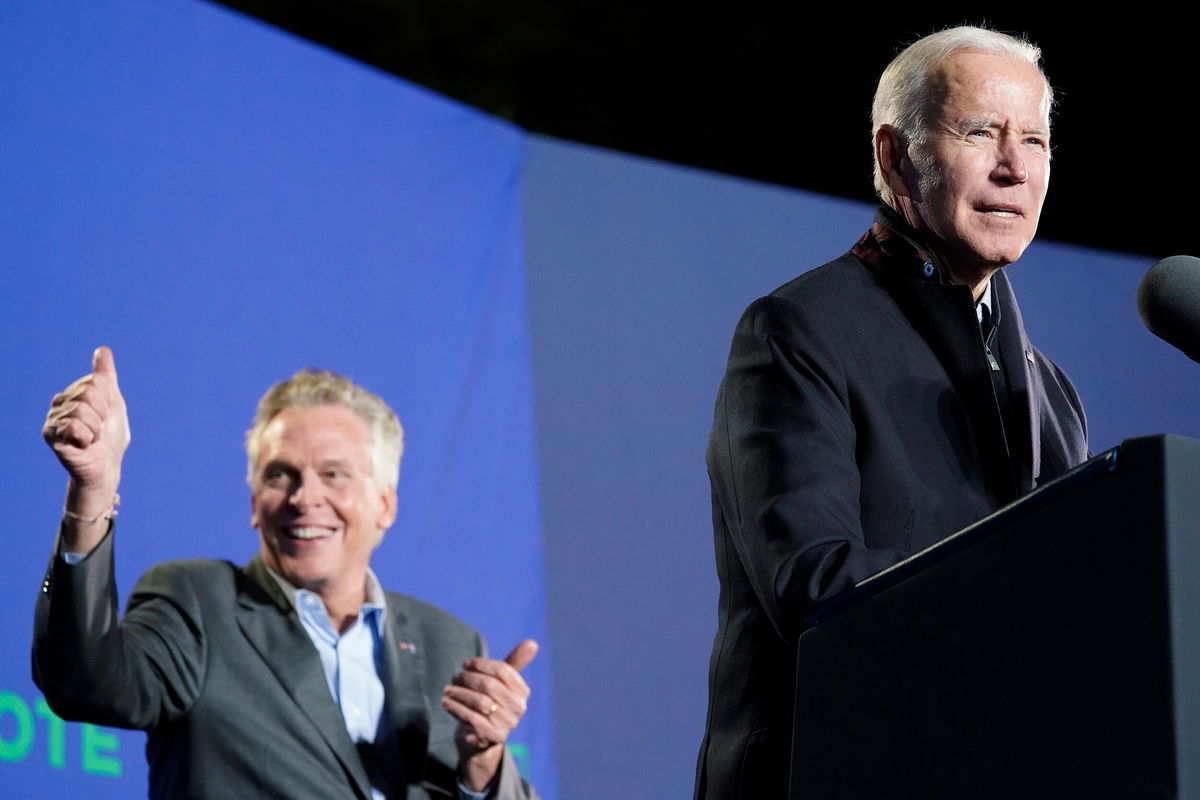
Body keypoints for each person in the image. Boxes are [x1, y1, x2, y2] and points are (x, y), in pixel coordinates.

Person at [693, 26, 1089, 800]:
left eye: (1035, 140)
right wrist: (1024, 605)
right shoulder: (800, 330)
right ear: (893, 155)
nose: (1015, 166)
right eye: (981, 132)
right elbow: (813, 586)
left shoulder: (1051, 391)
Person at [34, 348, 540, 800]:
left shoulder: (449, 643)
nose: (304, 499)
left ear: (385, 505)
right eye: (281, 475)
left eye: (333, 474)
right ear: (255, 503)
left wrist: (484, 767)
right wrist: (93, 495)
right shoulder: (198, 602)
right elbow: (84, 681)